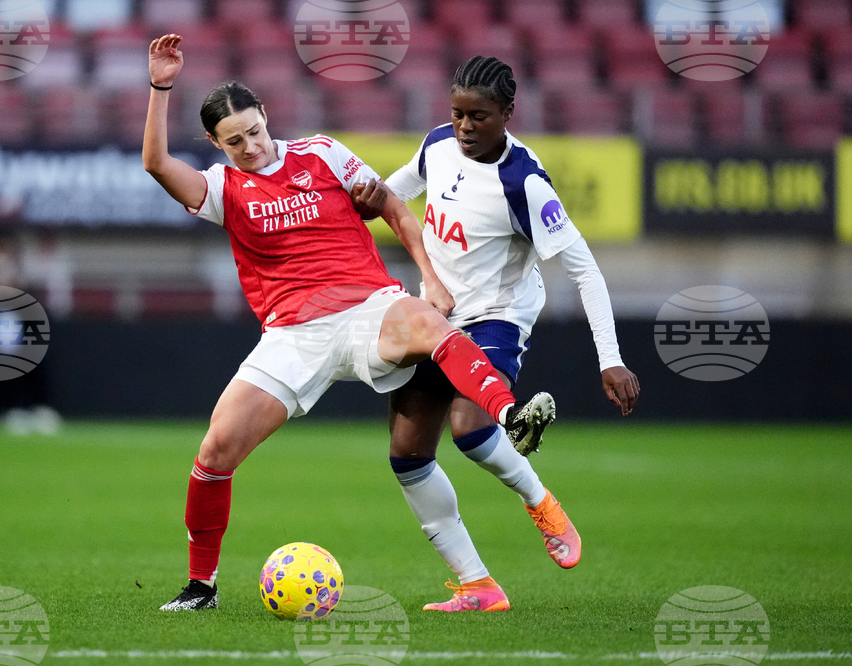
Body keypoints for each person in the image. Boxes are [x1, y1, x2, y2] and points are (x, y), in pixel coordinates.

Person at [143, 36, 545, 611]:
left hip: (366, 308)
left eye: (255, 131)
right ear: (214, 143)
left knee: (431, 326)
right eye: (234, 141)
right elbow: (156, 164)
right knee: (214, 453)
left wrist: (429, 278)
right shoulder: (222, 188)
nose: (250, 147)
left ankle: (510, 414)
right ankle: (200, 586)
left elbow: (387, 203)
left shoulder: (322, 152)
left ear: (266, 119)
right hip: (291, 335)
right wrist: (161, 86)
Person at [383, 56, 641, 612]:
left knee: (469, 424)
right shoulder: (437, 145)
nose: (465, 127)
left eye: (479, 116)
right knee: (406, 453)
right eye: (457, 114)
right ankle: (478, 585)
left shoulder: (524, 183)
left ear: (507, 113)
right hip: (435, 314)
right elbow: (389, 192)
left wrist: (610, 358)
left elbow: (584, 269)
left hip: (496, 314)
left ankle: (540, 500)